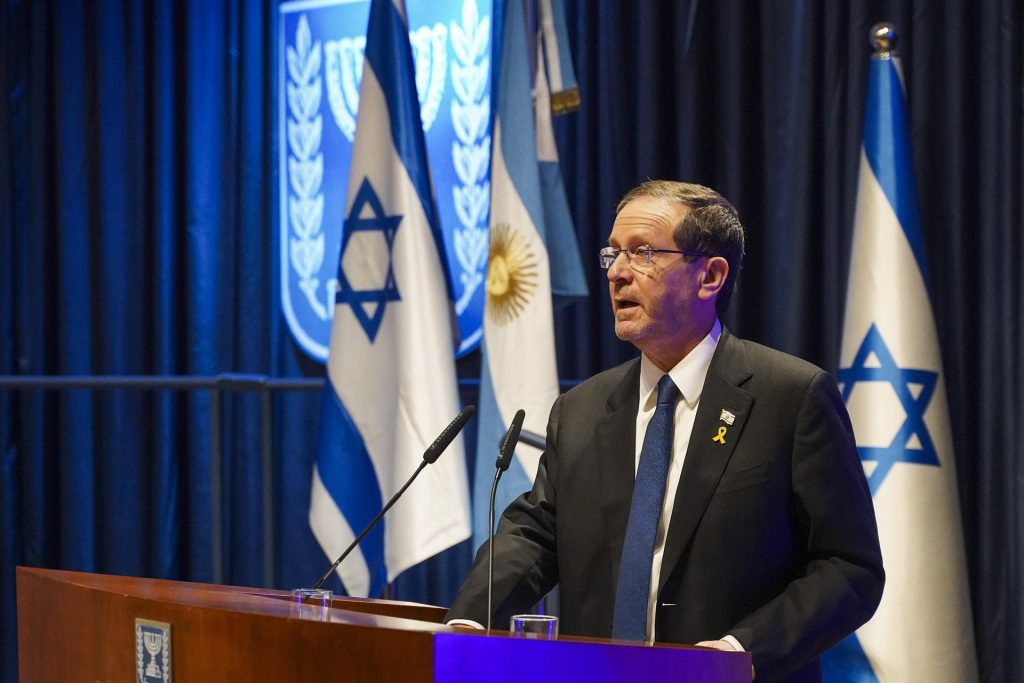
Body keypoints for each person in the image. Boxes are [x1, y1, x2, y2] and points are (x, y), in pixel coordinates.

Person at [446, 180, 884, 682]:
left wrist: (738, 652)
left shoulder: (790, 397)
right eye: (613, 253)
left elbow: (848, 567)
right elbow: (535, 534)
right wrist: (470, 620)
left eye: (643, 253)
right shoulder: (582, 410)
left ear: (710, 276)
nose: (617, 272)